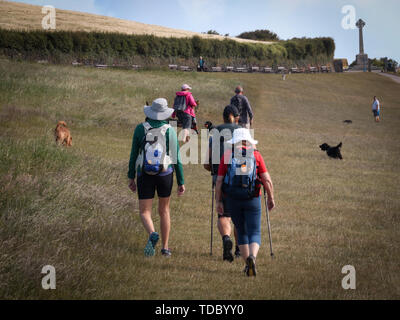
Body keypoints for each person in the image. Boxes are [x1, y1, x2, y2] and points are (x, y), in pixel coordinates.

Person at [128, 98, 186, 258]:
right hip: (165, 174)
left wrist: (130, 176)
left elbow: (134, 154)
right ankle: (165, 248)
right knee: (164, 210)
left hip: (144, 173)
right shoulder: (169, 130)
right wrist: (181, 181)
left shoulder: (140, 129)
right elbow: (176, 158)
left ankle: (153, 233)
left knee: (145, 211)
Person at [215, 128, 275, 277]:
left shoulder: (227, 155)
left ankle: (246, 263)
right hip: (252, 198)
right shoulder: (256, 155)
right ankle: (252, 258)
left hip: (233, 199)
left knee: (241, 230)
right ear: (248, 141)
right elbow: (266, 179)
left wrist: (218, 201)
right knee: (254, 231)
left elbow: (219, 181)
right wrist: (271, 197)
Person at [204, 105, 241, 261]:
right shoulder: (242, 132)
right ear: (235, 116)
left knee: (223, 214)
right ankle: (240, 250)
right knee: (239, 215)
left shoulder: (215, 133)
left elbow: (207, 164)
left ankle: (226, 239)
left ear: (224, 116)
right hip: (240, 180)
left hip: (220, 180)